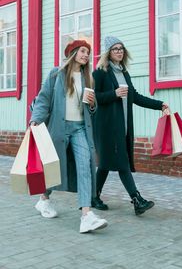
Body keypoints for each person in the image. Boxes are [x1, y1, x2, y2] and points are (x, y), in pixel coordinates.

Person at [30, 39, 108, 233]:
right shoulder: (56, 74)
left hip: (80, 128)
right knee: (54, 167)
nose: (86, 55)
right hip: (59, 128)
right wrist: (35, 120)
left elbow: (92, 108)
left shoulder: (88, 77)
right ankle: (43, 200)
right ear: (73, 53)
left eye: (88, 52)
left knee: (85, 167)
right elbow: (44, 99)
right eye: (83, 51)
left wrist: (92, 104)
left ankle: (86, 216)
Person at [92, 36, 169, 215]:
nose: (119, 51)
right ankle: (137, 199)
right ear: (108, 53)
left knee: (104, 164)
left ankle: (93, 196)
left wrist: (160, 105)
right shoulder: (100, 73)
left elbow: (135, 97)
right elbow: (93, 99)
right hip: (107, 128)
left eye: (121, 48)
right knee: (122, 163)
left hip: (123, 126)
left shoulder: (124, 73)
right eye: (115, 48)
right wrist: (114, 93)